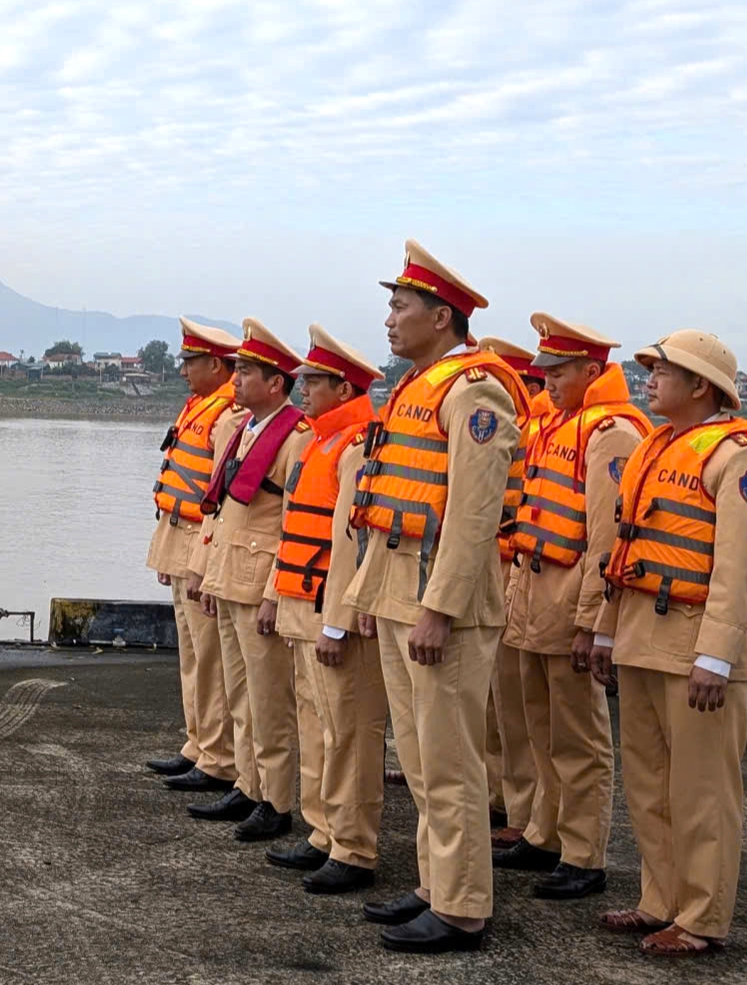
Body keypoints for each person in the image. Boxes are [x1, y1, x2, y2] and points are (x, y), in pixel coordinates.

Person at [344, 242, 527, 954]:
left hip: (438, 604)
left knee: (450, 761)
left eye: (400, 305)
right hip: (397, 591)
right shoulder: (419, 385)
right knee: (421, 758)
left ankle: (462, 908)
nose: (389, 319)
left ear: (441, 315)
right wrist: (368, 594)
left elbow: (475, 515)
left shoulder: (474, 391)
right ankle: (434, 884)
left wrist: (439, 608)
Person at [590, 330, 747, 957]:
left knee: (702, 791)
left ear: (702, 385)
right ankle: (660, 898)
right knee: (648, 783)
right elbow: (624, 550)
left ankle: (702, 917)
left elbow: (739, 567)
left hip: (696, 645)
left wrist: (717, 655)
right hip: (642, 637)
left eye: (663, 370)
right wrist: (604, 628)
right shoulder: (655, 446)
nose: (649, 377)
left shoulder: (740, 456)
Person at [496, 314, 647, 899]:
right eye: (545, 370)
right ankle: (545, 832)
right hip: (532, 597)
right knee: (541, 727)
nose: (547, 380)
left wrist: (591, 621)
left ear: (592, 370)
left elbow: (605, 540)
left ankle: (584, 853)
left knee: (578, 736)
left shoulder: (610, 432)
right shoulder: (557, 425)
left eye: (558, 371)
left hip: (567, 603)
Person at [263, 325, 385, 894]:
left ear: (343, 388)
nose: (303, 389)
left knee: (349, 732)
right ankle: (322, 831)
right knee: (315, 724)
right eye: (305, 379)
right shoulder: (318, 441)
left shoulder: (358, 446)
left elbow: (355, 543)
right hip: (301, 604)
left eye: (313, 381)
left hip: (329, 610)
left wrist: (339, 619)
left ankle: (354, 845)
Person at [190, 321, 314, 843]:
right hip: (230, 575)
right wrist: (208, 573)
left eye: (246, 371)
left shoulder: (294, 438)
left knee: (270, 702)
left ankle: (276, 800)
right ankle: (248, 783)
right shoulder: (247, 429)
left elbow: (293, 522)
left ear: (276, 383)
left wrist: (274, 595)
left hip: (259, 580)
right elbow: (224, 511)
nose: (235, 380)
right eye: (236, 368)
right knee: (240, 694)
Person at [145, 319, 244, 793]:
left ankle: (219, 755)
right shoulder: (199, 408)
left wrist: (204, 562)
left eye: (191, 362)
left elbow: (220, 497)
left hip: (200, 539)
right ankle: (198, 742)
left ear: (217, 365)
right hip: (178, 534)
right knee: (191, 652)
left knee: (210, 657)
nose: (183, 370)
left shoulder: (227, 417)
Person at [475, 336, 546, 850]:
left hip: (512, 569)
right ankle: (497, 793)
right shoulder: (531, 430)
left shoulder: (532, 431)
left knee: (515, 711)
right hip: (500, 566)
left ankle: (520, 810)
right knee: (493, 704)